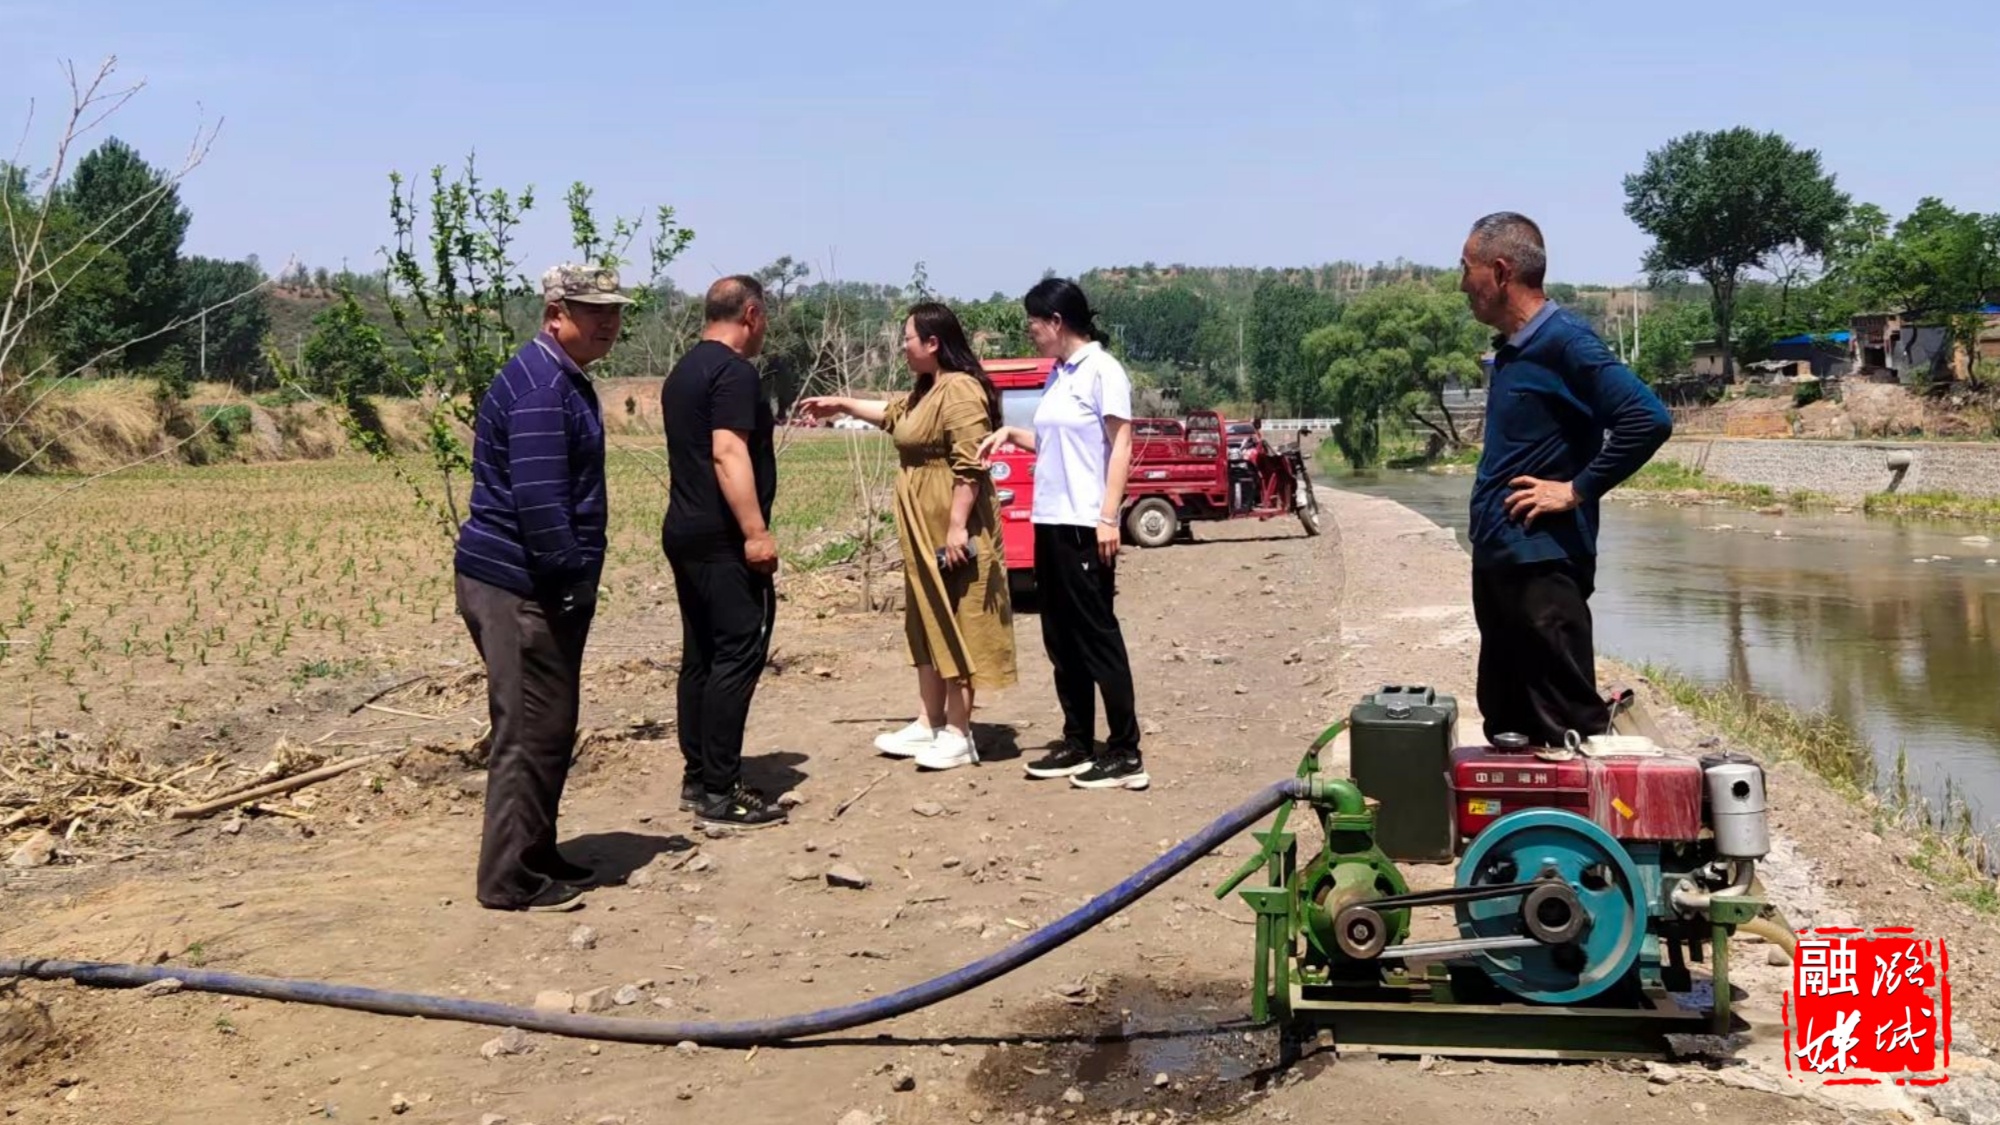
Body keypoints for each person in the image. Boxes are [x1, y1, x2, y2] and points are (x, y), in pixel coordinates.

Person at [1458, 212, 1673, 748]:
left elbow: (1647, 419)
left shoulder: (1565, 341)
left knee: (1566, 723)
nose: (1461, 284)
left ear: (1500, 272)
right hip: (1504, 562)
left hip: (1544, 568)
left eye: (1466, 269)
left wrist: (1576, 489)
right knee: (1508, 720)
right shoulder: (1515, 349)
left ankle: (1595, 803)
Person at [453, 263, 630, 912]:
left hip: (533, 582)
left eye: (614, 311)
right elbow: (538, 500)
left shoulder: (559, 376)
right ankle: (508, 878)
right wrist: (568, 583)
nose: (608, 322)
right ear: (556, 313)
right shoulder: (540, 387)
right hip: (520, 585)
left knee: (550, 726)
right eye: (593, 310)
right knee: (528, 731)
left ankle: (536, 851)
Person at [796, 303, 1018, 771]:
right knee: (927, 615)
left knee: (958, 615)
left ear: (933, 343)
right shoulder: (927, 388)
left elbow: (970, 464)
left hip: (950, 521)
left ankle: (959, 732)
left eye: (908, 338)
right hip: (922, 522)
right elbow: (895, 416)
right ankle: (929, 720)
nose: (902, 347)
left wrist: (957, 526)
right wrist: (843, 404)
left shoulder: (960, 389)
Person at [976, 278, 1147, 791]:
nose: (1029, 329)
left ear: (1056, 321)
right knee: (1061, 638)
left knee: (1096, 637)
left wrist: (1109, 517)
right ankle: (1078, 741)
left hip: (1084, 524)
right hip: (1049, 521)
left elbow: (1120, 445)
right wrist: (1012, 434)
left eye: (1034, 321)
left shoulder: (1102, 370)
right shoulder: (1059, 373)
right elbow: (1057, 442)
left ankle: (1125, 752)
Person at [661, 276, 788, 829]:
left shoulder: (684, 371)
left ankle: (698, 777)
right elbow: (727, 452)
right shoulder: (734, 373)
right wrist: (755, 532)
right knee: (738, 653)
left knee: (702, 656)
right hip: (723, 538)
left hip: (685, 530)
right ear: (752, 314)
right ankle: (720, 789)